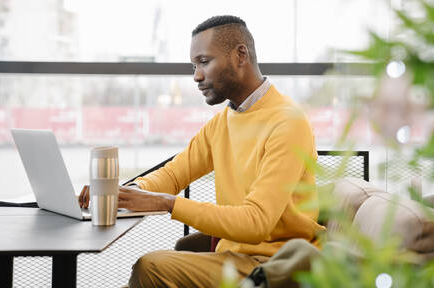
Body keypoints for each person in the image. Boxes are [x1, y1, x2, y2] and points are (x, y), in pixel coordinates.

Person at [79, 15, 325, 287]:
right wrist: (125, 193)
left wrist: (165, 203)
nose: (196, 76)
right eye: (194, 65)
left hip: (271, 266)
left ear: (240, 55)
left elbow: (256, 223)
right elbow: (174, 175)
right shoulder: (224, 121)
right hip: (232, 258)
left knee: (151, 267)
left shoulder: (287, 122)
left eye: (204, 62)